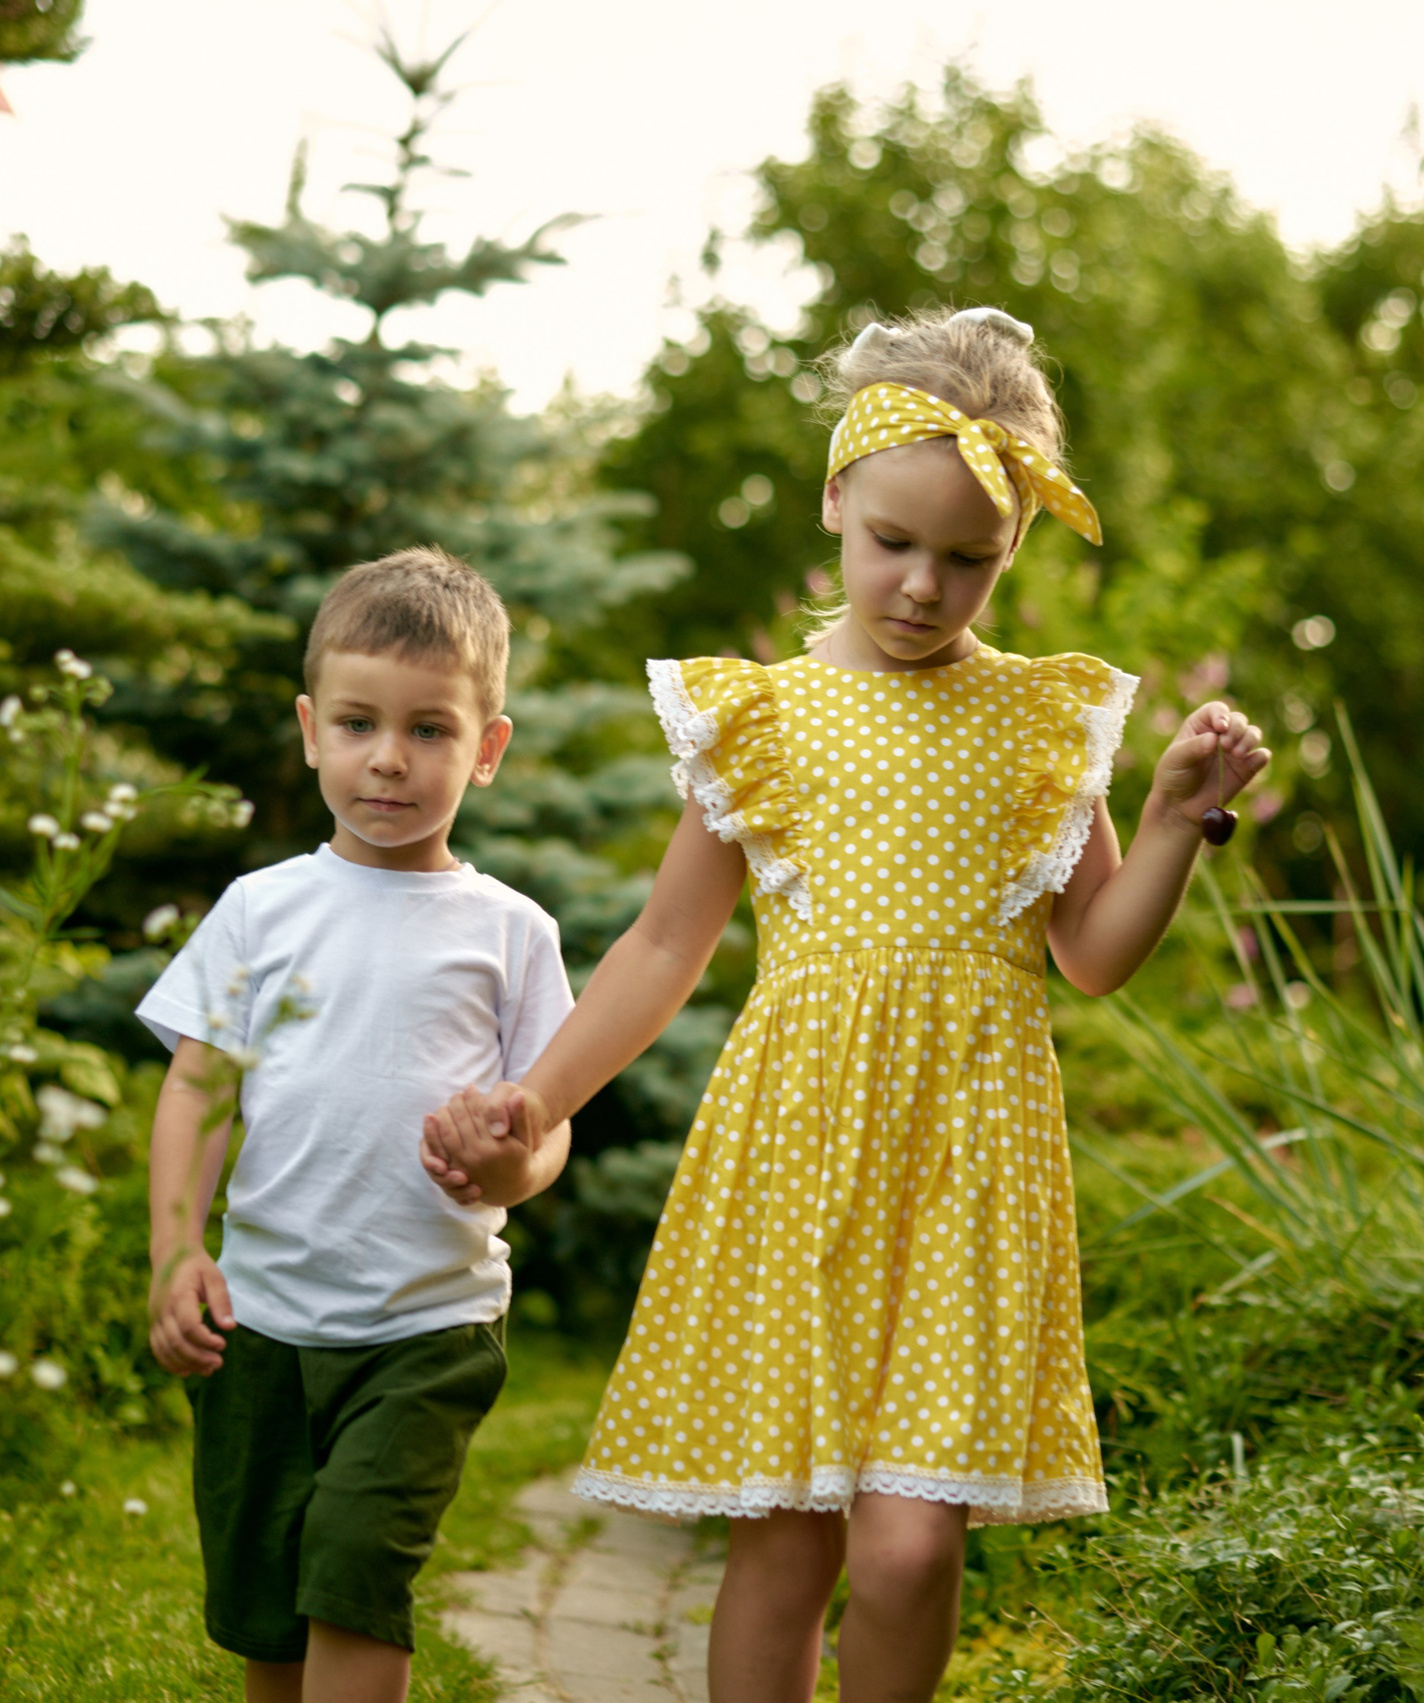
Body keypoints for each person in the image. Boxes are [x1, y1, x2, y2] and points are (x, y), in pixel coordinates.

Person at [420, 304, 1271, 1702]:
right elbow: (664, 944)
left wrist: (1176, 818)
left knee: (910, 1549)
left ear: (1014, 547)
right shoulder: (761, 717)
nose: (924, 586)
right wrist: (538, 1093)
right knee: (784, 1542)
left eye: (968, 558)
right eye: (892, 542)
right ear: (834, 502)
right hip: (799, 1154)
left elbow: (1093, 953)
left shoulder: (1042, 720)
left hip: (970, 1163)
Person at [140, 547, 575, 1703]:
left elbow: (548, 1124)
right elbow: (197, 1086)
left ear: (487, 748)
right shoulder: (260, 908)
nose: (388, 757)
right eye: (357, 723)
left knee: (352, 1573)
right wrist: (176, 1246)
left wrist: (511, 1164)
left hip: (425, 1325)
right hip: (261, 1323)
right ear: (310, 729)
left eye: (430, 729)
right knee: (268, 1607)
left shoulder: (510, 931)